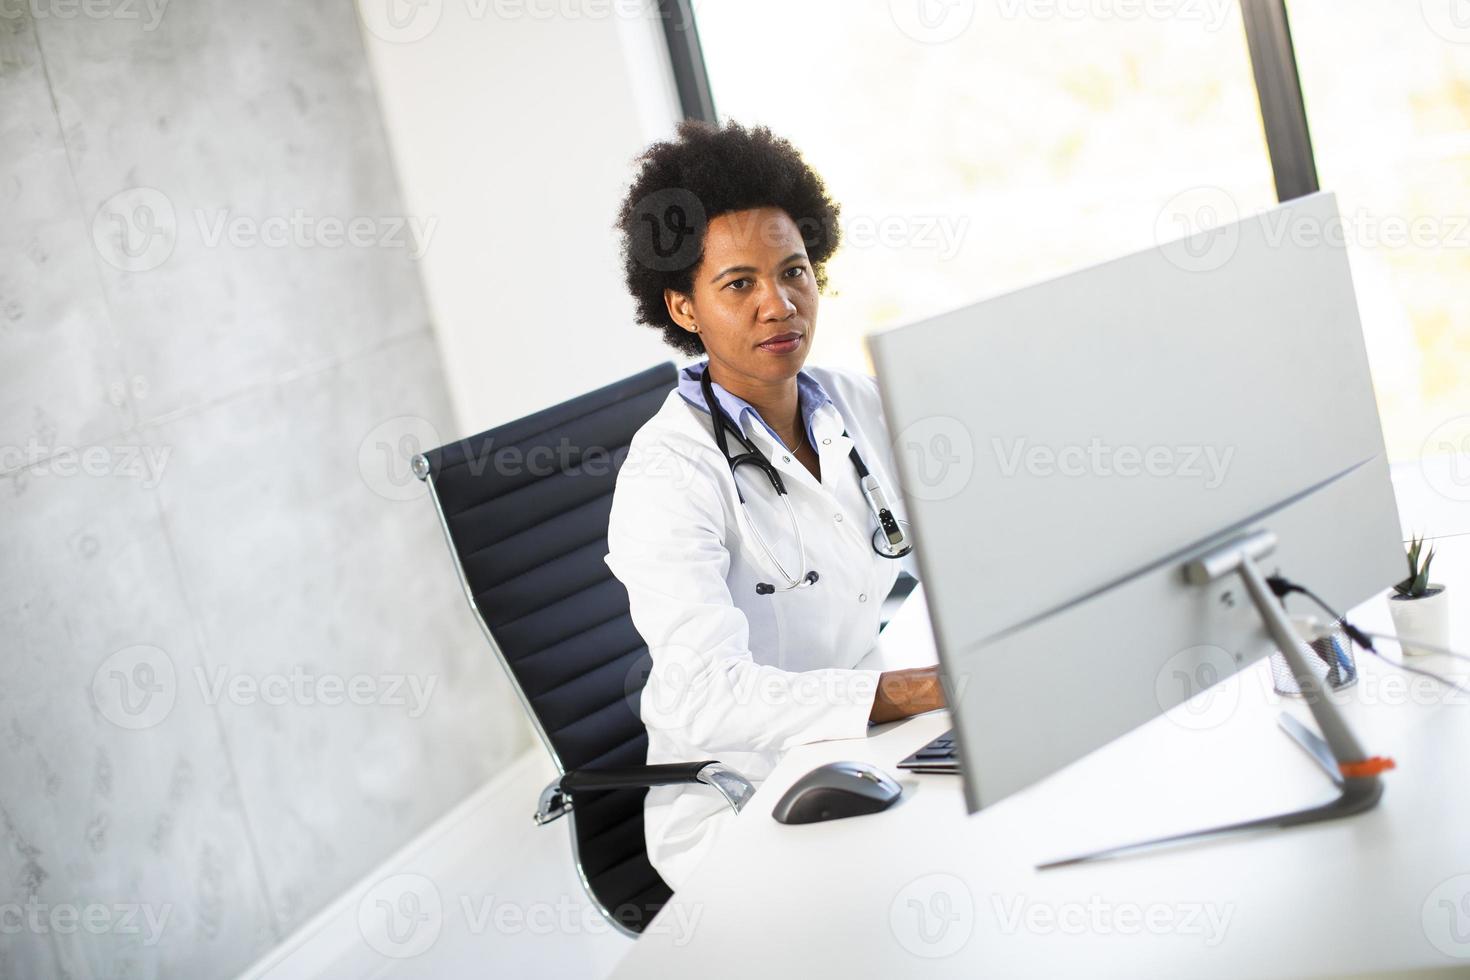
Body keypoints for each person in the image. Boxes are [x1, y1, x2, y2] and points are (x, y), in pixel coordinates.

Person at [605, 120, 944, 891]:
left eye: (794, 271)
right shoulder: (670, 476)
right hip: (742, 797)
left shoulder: (857, 406)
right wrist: (914, 690)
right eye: (739, 284)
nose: (779, 304)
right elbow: (704, 696)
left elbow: (973, 537)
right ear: (683, 308)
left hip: (860, 749)